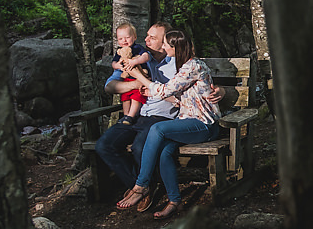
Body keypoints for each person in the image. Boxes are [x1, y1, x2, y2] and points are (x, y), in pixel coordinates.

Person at [95, 22, 225, 213]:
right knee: (164, 152)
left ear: (174, 47)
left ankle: (141, 185)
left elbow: (165, 90)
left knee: (156, 130)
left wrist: (139, 77)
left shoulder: (190, 66)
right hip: (183, 121)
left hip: (202, 123)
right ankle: (174, 201)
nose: (162, 47)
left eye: (164, 43)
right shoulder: (148, 58)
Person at [109, 22, 152, 125]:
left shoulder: (137, 48)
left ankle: (131, 116)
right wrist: (118, 66)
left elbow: (146, 56)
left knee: (136, 97)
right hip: (127, 78)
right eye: (120, 39)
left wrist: (135, 61)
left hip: (140, 78)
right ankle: (126, 115)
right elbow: (113, 63)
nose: (124, 41)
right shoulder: (120, 51)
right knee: (125, 97)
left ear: (134, 37)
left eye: (127, 37)